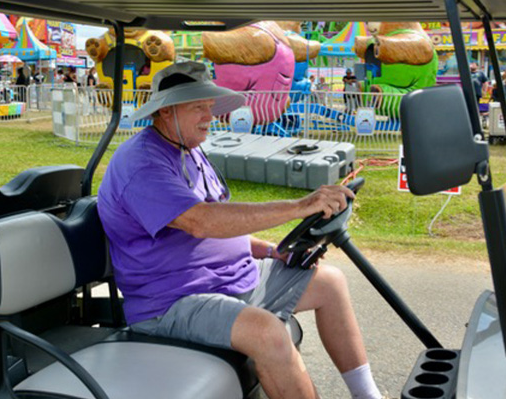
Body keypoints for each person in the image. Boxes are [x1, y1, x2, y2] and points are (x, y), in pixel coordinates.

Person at [98, 61, 381, 399]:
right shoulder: (143, 163)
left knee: (330, 283)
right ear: (166, 111)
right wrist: (300, 206)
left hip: (227, 280)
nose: (210, 116)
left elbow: (224, 225)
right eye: (197, 107)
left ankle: (368, 396)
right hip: (171, 300)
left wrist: (269, 250)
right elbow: (202, 221)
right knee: (269, 333)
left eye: (210, 106)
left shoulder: (190, 150)